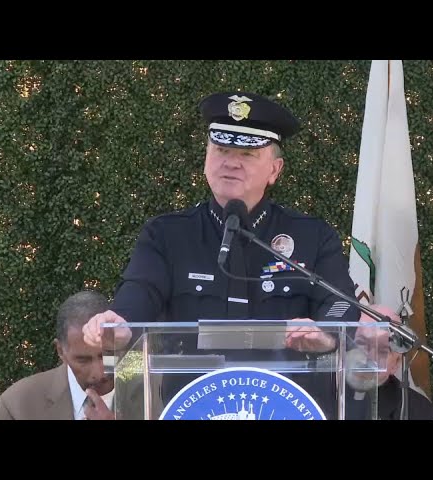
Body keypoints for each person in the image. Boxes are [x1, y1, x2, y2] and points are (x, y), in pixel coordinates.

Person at [81, 91, 361, 418]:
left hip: (289, 407)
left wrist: (326, 333)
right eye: (221, 149)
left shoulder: (311, 236)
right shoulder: (167, 235)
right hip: (192, 408)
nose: (230, 161)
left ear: (275, 169)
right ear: (206, 158)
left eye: (246, 153)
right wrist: (121, 323)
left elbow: (342, 302)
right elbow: (140, 292)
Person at [0, 290, 141, 420]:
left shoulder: (153, 390)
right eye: (83, 360)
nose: (99, 372)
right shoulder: (17, 405)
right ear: (60, 351)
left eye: (108, 354)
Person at [345, 305, 433, 420]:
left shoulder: (417, 410)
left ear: (396, 364)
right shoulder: (319, 386)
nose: (369, 357)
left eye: (382, 350)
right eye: (362, 343)